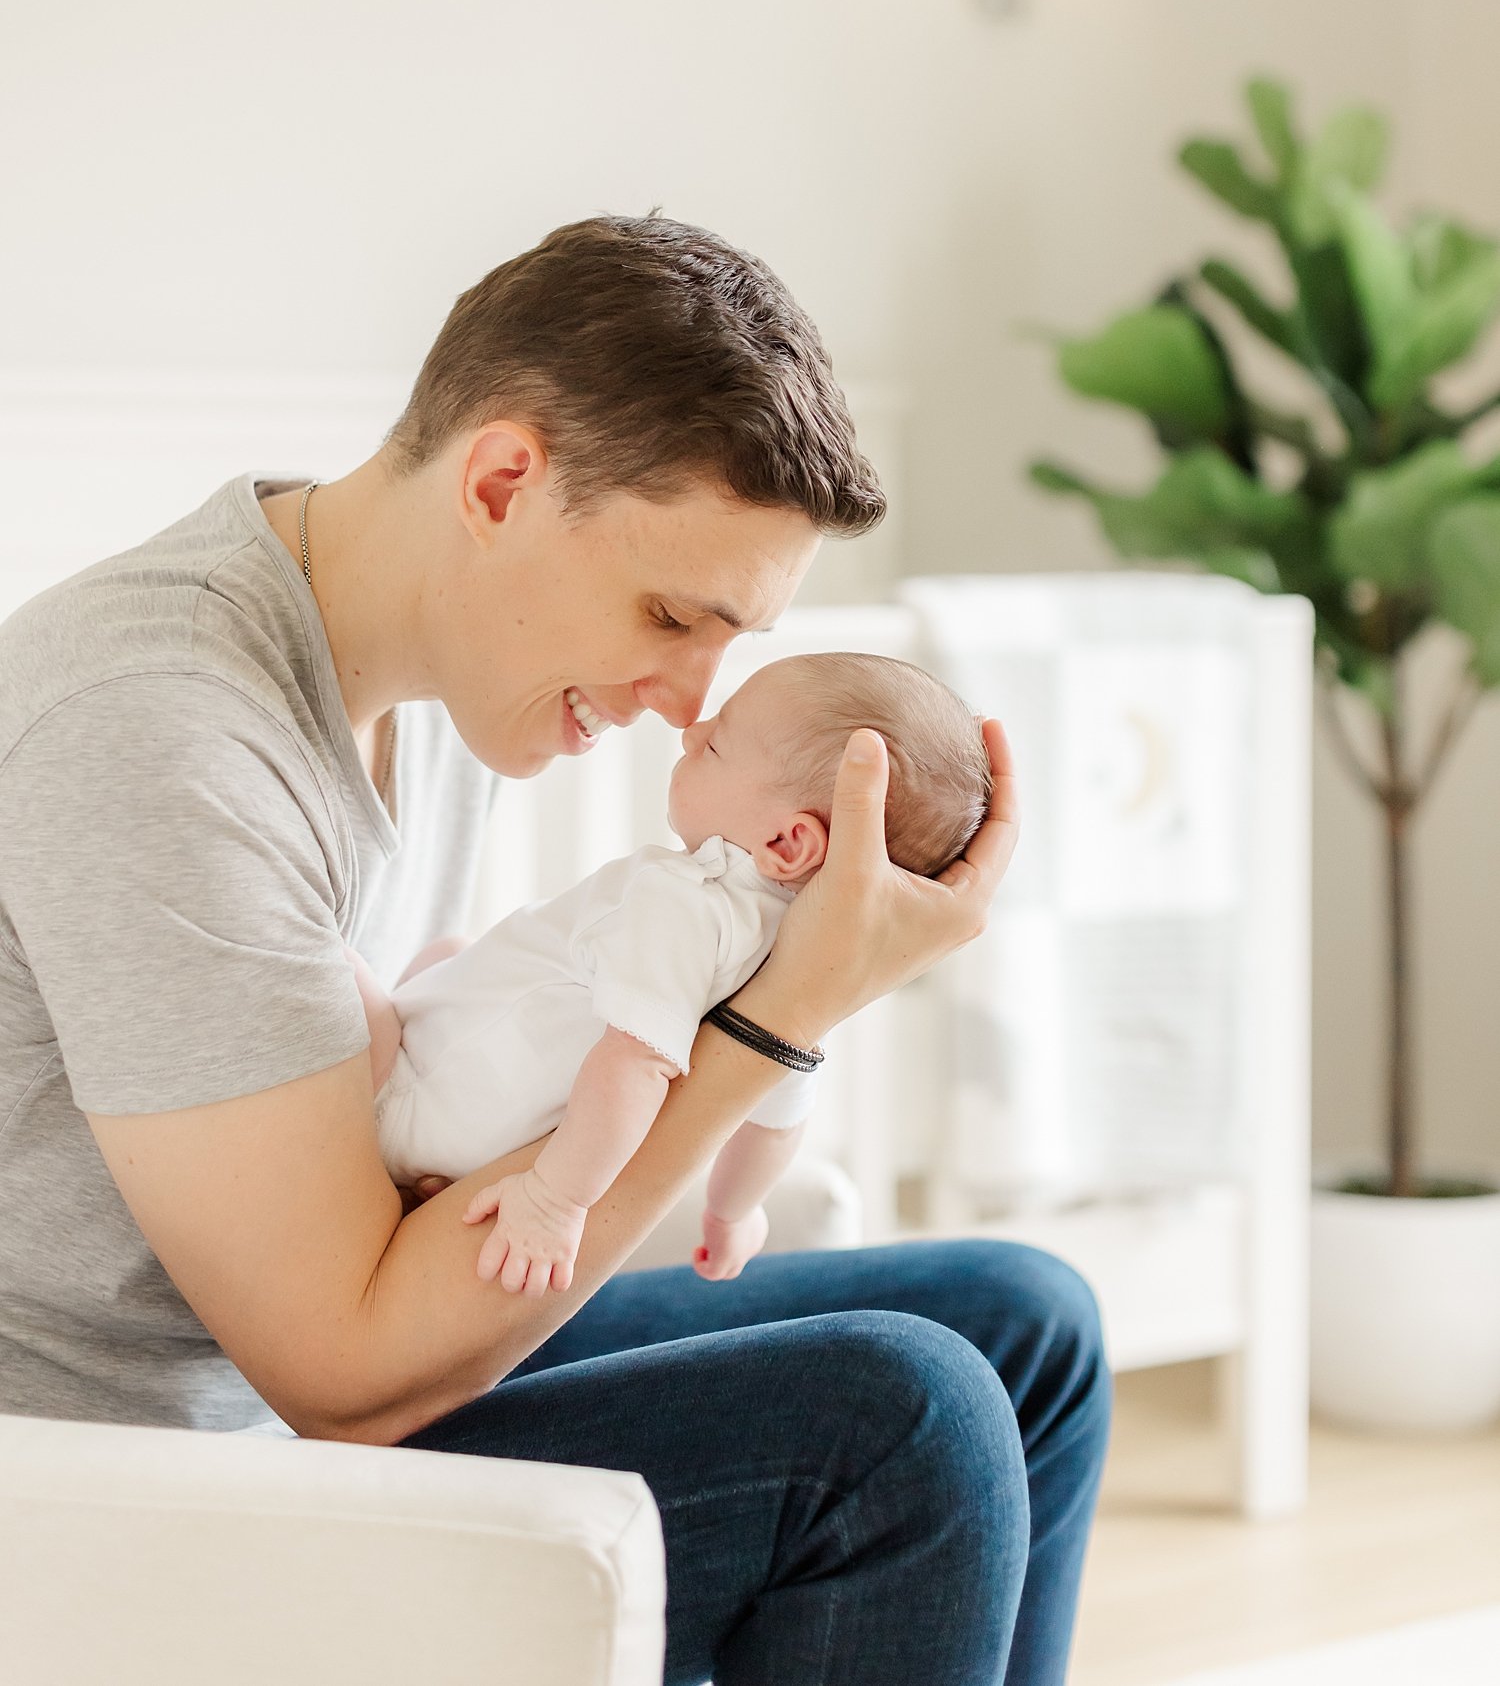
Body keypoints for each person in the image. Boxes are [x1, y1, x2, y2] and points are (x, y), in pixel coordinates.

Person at [0, 214, 1110, 1684]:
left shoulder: (444, 690)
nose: (686, 698)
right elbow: (339, 1368)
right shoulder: (161, 731)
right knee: (903, 1422)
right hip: (125, 1504)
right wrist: (773, 1026)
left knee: (1029, 1328)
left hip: (310, 1382)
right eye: (670, 615)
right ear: (505, 480)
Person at [357, 652, 991, 1293]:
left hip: (407, 1094)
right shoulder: (790, 977)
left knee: (341, 965)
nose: (691, 731)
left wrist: (556, 1200)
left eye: (715, 746)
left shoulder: (687, 900)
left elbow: (634, 1063)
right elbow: (775, 1123)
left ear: (786, 844)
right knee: (449, 953)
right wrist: (732, 1211)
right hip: (465, 1146)